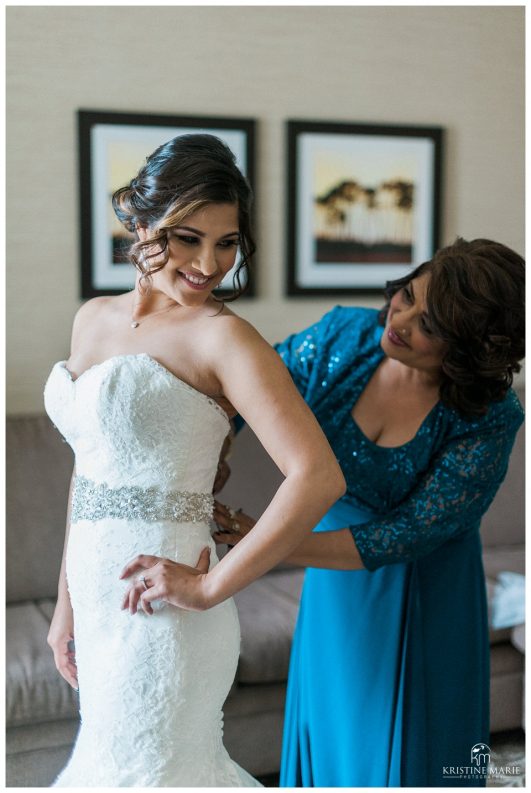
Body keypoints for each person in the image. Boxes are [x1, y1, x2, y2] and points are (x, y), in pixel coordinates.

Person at [44, 134, 345, 787]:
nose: (210, 263)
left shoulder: (223, 337)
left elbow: (317, 475)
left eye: (227, 242)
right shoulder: (91, 319)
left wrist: (211, 585)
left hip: (166, 608)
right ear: (141, 223)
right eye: (188, 238)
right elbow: (88, 472)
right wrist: (66, 607)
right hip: (98, 601)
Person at [203, 238, 523, 787]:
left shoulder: (490, 416)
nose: (401, 319)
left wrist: (266, 539)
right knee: (335, 733)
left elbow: (406, 534)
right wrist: (216, 451)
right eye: (408, 296)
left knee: (412, 752)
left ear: (468, 351)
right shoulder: (343, 337)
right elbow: (246, 388)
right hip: (332, 578)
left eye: (431, 325)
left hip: (427, 588)